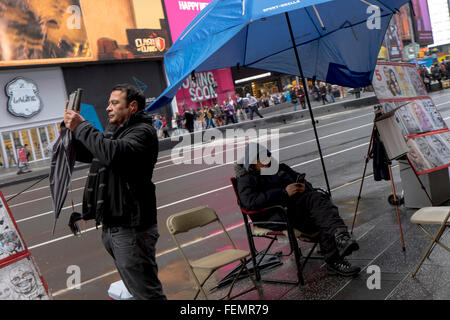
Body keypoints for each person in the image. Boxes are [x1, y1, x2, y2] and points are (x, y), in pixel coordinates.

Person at [63, 83, 166, 300]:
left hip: (132, 227)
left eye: (114, 103)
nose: (108, 107)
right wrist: (70, 131)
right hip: (115, 224)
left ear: (132, 107)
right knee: (136, 291)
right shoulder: (117, 132)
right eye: (109, 103)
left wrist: (82, 126)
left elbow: (111, 153)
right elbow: (94, 152)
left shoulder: (142, 132)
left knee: (147, 294)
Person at [235, 143, 361, 277]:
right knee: (321, 210)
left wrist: (304, 187)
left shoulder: (279, 168)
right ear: (252, 163)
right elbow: (250, 203)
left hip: (294, 207)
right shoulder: (246, 178)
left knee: (320, 205)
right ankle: (339, 243)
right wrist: (283, 193)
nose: (266, 162)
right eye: (261, 160)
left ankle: (337, 250)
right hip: (274, 215)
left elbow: (303, 182)